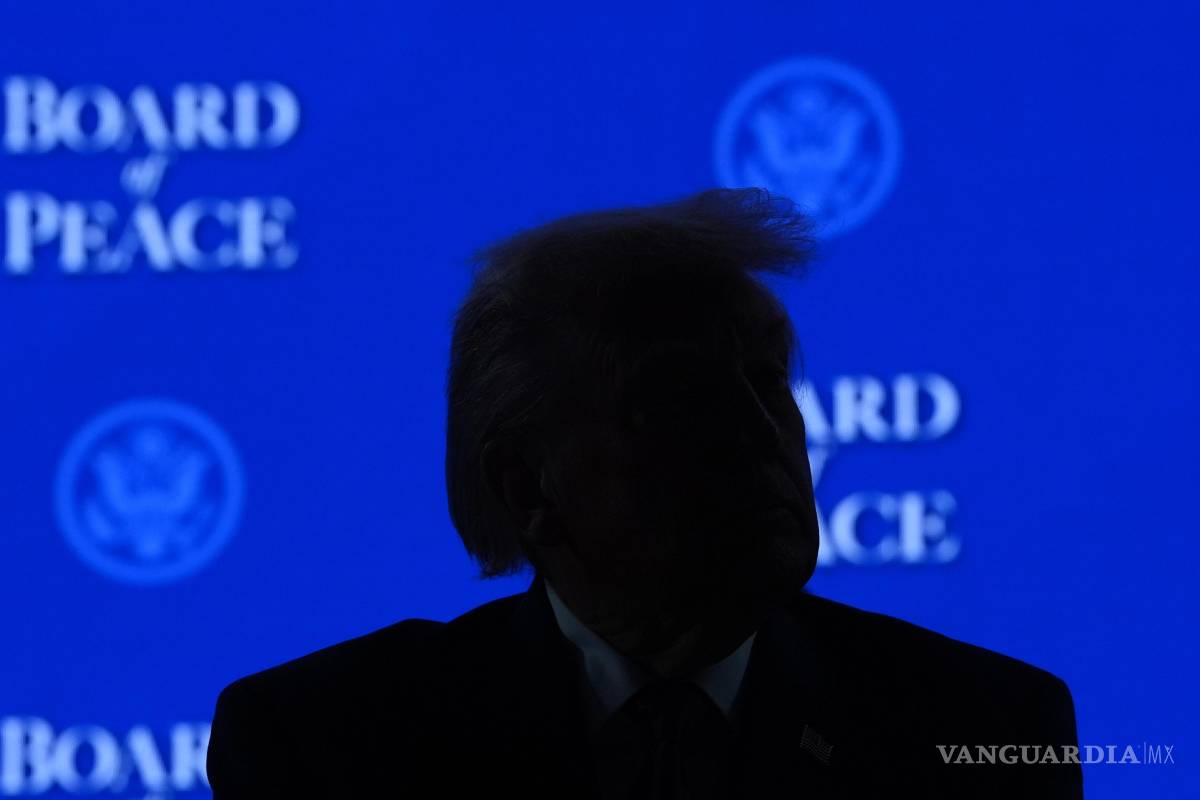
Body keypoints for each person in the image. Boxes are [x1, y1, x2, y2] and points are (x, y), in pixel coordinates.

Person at [206, 189, 1082, 799]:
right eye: (682, 396)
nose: (759, 431)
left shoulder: (987, 729)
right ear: (527, 485)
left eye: (768, 380)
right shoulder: (326, 746)